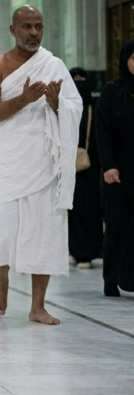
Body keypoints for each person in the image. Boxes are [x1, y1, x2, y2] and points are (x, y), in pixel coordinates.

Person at [0, 5, 81, 325]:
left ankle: (38, 306)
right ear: (13, 30)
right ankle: (2, 277)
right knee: (6, 226)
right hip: (12, 159)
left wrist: (55, 104)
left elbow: (74, 106)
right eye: (26, 26)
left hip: (44, 160)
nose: (33, 32)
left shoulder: (54, 65)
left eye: (38, 26)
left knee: (45, 230)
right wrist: (23, 100)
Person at [95, 39, 134, 297]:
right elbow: (102, 131)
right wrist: (108, 165)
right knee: (117, 226)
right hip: (118, 175)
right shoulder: (112, 92)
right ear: (125, 61)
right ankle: (111, 279)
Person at [68, 67, 102, 269]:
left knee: (89, 210)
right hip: (77, 169)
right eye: (75, 79)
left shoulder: (95, 108)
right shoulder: (66, 108)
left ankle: (86, 251)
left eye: (82, 78)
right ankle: (81, 251)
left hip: (91, 169)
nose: (79, 82)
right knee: (77, 210)